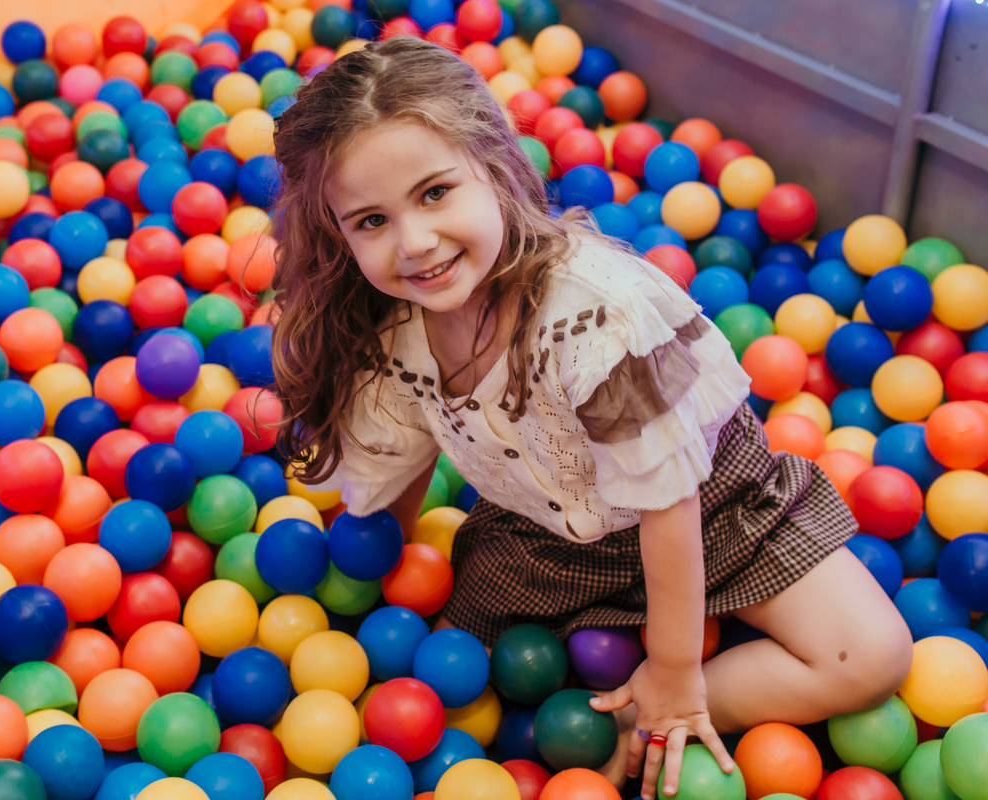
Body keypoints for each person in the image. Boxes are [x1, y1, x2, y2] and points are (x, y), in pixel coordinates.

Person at [269, 37, 913, 800]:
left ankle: (649, 712)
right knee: (454, 667)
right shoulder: (392, 326)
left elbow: (668, 503)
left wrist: (674, 675)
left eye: (435, 193)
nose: (415, 243)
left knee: (873, 657)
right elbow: (400, 454)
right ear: (338, 231)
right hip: (548, 535)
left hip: (711, 511)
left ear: (495, 165)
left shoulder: (596, 317)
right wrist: (382, 574)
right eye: (371, 220)